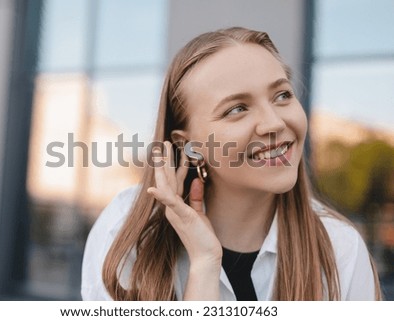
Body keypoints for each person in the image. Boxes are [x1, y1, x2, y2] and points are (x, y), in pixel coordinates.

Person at [81, 27, 382, 301]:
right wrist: (203, 265)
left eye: (282, 95)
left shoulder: (339, 248)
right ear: (190, 146)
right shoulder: (126, 232)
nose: (274, 123)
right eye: (237, 109)